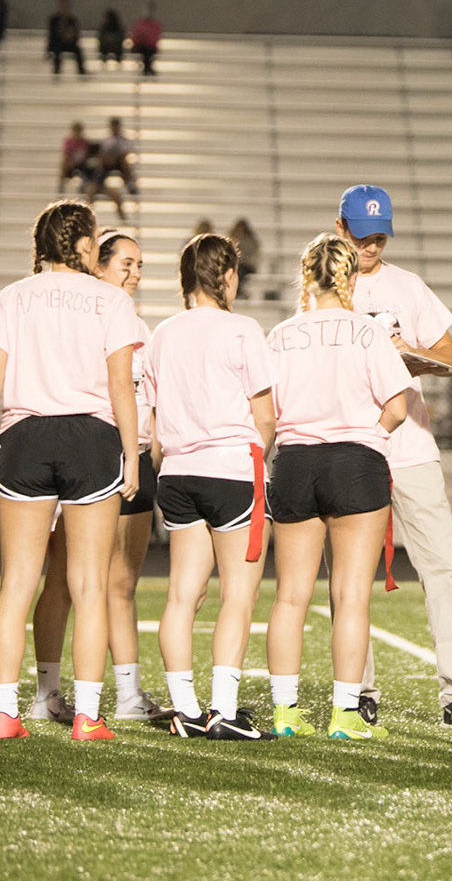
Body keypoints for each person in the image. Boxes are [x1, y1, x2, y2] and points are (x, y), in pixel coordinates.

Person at [0, 199, 145, 741]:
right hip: (91, 439)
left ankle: (5, 714)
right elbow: (120, 385)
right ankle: (88, 717)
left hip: (25, 436)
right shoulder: (111, 300)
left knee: (17, 584)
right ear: (87, 243)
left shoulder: (13, 296)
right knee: (88, 585)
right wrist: (132, 454)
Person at [334, 185, 452, 732]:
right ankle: (355, 693)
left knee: (443, 571)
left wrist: (410, 354)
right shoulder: (323, 288)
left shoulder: (407, 285)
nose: (371, 247)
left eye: (379, 237)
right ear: (340, 228)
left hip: (411, 446)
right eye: (362, 236)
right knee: (349, 580)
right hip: (349, 445)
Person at [264, 233, 414, 741]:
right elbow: (397, 408)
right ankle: (346, 715)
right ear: (350, 276)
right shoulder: (368, 332)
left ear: (306, 275)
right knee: (350, 597)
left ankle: (285, 713)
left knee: (290, 597)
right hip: (356, 462)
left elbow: (266, 413)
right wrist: (369, 438)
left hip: (295, 461)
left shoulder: (280, 335)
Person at [145, 233, 279, 740]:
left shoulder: (162, 334)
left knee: (183, 597)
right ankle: (223, 710)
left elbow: (155, 421)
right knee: (237, 597)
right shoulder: (242, 329)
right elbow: (266, 419)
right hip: (231, 470)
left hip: (178, 472)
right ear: (226, 275)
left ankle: (185, 711)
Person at [47, 0, 86, 76]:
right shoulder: (54, 20)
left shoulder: (72, 20)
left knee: (78, 50)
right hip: (57, 43)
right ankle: (57, 70)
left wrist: (70, 38)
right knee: (56, 49)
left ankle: (81, 70)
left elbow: (76, 34)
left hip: (69, 43)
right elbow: (51, 35)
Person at [129, 3, 163, 77]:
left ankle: (147, 69)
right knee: (145, 51)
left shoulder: (154, 25)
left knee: (148, 51)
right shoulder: (139, 24)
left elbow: (155, 37)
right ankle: (148, 69)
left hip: (149, 46)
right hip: (140, 46)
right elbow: (135, 36)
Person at [59, 121, 93, 191]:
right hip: (71, 162)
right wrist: (71, 161)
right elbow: (66, 153)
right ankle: (61, 185)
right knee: (64, 165)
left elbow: (84, 154)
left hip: (81, 162)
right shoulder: (69, 141)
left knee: (87, 166)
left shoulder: (84, 141)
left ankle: (84, 184)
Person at [228, 218, 262, 282]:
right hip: (236, 265)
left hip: (246, 265)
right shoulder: (231, 240)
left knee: (239, 270)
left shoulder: (251, 241)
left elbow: (252, 257)